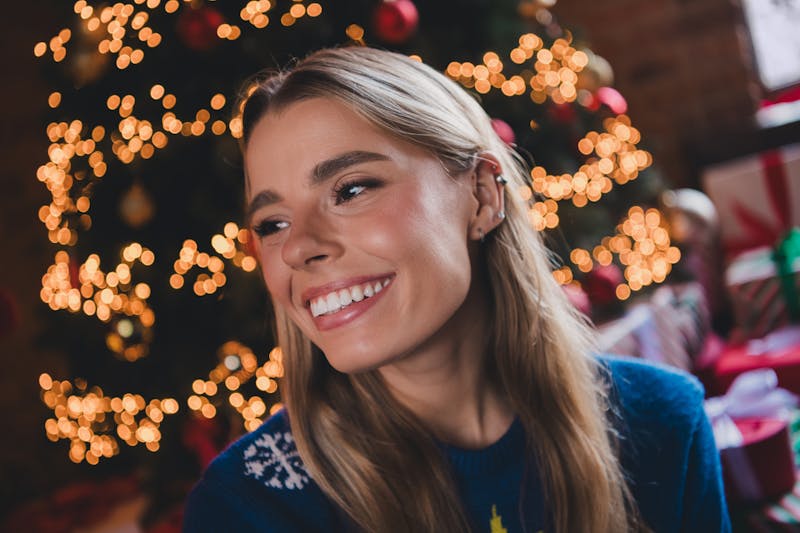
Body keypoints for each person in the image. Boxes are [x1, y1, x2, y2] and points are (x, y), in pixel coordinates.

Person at [183, 46, 730, 533]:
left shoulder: (661, 421)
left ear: (483, 196)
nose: (298, 248)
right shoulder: (245, 509)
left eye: (350, 190)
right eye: (272, 224)